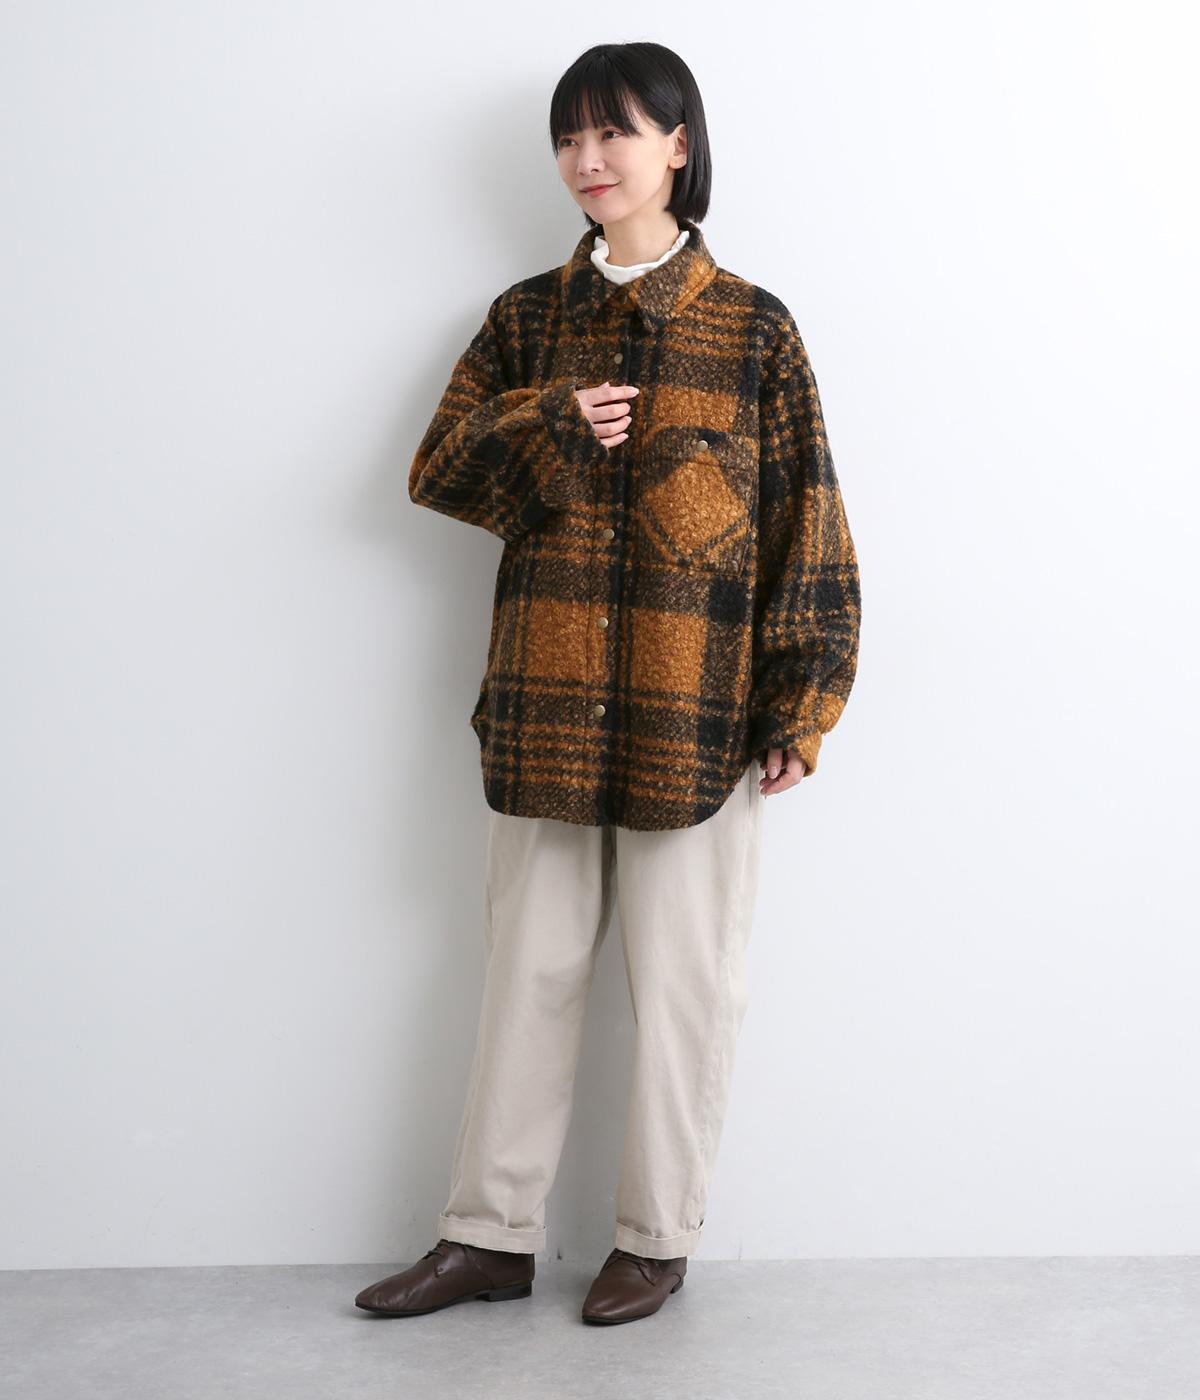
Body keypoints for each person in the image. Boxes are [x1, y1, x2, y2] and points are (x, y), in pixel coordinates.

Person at [355, 40, 861, 1327]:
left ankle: (657, 1239)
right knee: (524, 976)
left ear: (678, 145)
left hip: (699, 724)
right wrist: (549, 421)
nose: (588, 160)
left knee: (687, 990)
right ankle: (488, 1235)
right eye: (569, 137)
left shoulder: (754, 329)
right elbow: (436, 471)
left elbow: (809, 525)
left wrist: (802, 703)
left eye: (615, 132)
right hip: (545, 712)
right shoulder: (526, 320)